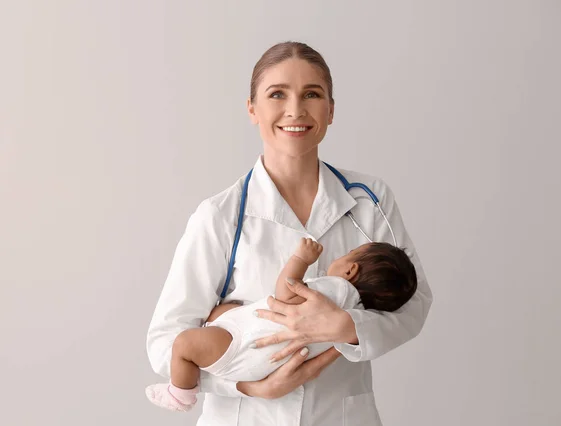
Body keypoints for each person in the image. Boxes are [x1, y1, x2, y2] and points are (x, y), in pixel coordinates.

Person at [146, 41, 433, 426]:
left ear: (331, 110)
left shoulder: (370, 200)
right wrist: (249, 387)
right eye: (277, 94)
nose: (295, 110)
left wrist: (347, 327)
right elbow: (166, 341)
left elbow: (414, 306)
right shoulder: (219, 216)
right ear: (252, 108)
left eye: (312, 94)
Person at [146, 238, 417, 412]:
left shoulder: (336, 288)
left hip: (247, 347)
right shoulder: (354, 305)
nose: (341, 256)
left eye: (349, 252)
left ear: (350, 271)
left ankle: (180, 394)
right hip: (259, 358)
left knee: (184, 344)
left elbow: (286, 293)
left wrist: (300, 259)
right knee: (220, 315)